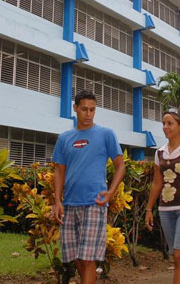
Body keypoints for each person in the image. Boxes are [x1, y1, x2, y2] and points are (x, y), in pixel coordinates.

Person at [53, 89, 125, 284]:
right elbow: (59, 171)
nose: (88, 114)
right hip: (69, 204)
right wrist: (57, 201)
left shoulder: (106, 134)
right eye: (84, 109)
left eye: (92, 110)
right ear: (75, 108)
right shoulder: (64, 138)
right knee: (75, 257)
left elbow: (120, 166)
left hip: (95, 202)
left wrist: (111, 192)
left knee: (87, 258)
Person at [145, 108, 180, 284]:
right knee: (179, 257)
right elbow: (157, 183)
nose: (165, 127)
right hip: (165, 210)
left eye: (170, 123)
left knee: (179, 255)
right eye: (164, 123)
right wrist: (148, 209)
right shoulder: (159, 153)